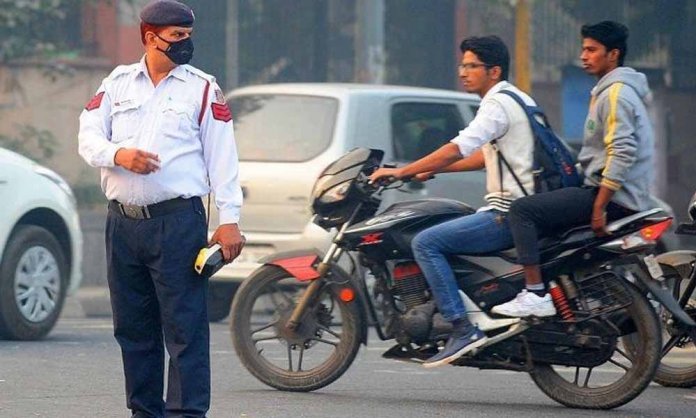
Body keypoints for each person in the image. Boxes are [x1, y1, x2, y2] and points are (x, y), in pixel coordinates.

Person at [77, 1, 244, 416]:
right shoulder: (117, 83)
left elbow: (222, 156)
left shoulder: (202, 87)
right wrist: (118, 155)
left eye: (189, 36)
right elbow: (87, 137)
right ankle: (144, 412)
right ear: (151, 37)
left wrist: (230, 221)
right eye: (177, 37)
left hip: (177, 223)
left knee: (184, 331)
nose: (186, 44)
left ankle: (186, 414)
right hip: (124, 225)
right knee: (133, 331)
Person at [370, 35, 544, 368]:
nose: (463, 72)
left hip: (508, 213)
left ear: (493, 71)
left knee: (426, 242)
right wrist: (426, 172)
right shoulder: (516, 98)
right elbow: (482, 158)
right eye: (462, 65)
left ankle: (462, 327)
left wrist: (402, 170)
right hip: (526, 208)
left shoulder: (496, 104)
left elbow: (458, 147)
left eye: (471, 66)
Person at [492, 21, 655, 317]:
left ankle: (535, 293)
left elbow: (622, 152)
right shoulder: (609, 91)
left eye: (592, 50)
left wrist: (599, 207)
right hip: (607, 192)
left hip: (613, 198)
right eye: (583, 49)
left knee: (522, 211)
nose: (584, 55)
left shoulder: (616, 94)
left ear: (613, 54)